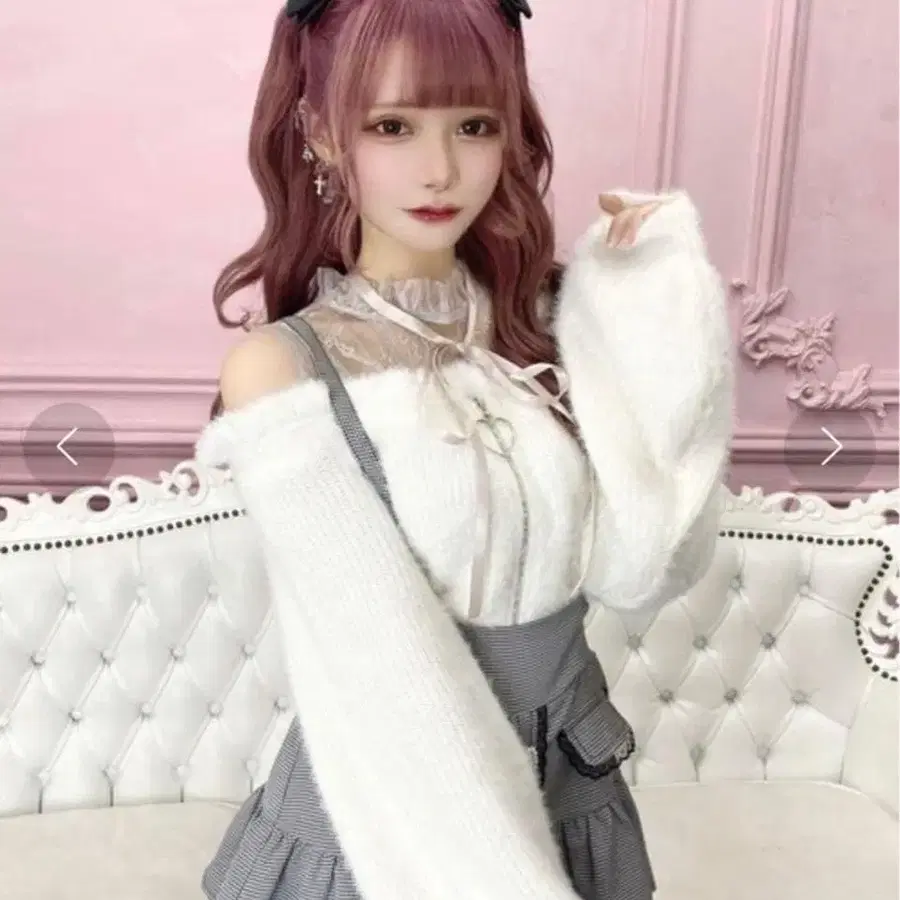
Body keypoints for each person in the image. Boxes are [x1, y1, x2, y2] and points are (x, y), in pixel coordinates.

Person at [194, 0, 734, 897]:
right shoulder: (284, 373)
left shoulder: (545, 331)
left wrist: (648, 308)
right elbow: (384, 669)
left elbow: (640, 570)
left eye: (474, 125)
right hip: (398, 822)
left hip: (570, 789)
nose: (440, 168)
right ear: (320, 133)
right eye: (392, 126)